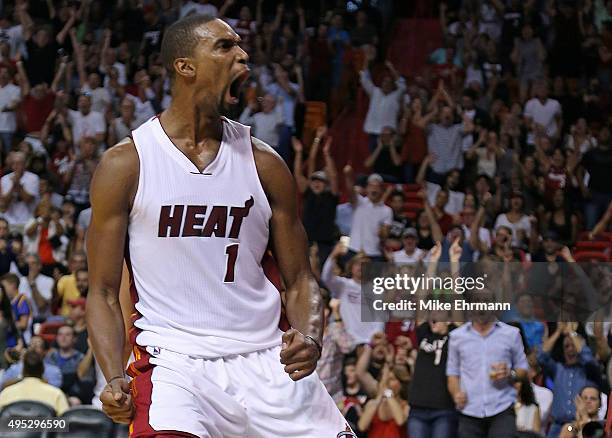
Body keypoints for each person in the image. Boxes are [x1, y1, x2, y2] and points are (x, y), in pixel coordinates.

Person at [87, 15, 352, 437]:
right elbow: (101, 291)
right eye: (225, 46)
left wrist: (310, 335)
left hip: (269, 360)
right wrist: (113, 375)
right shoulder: (127, 164)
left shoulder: (266, 164)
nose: (243, 54)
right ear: (185, 66)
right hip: (176, 364)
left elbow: (301, 278)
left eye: (240, 46)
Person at [446, 292, 529, 438]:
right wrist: (456, 393)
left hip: (502, 408)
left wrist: (511, 374)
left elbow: (523, 369)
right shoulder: (457, 337)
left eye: (486, 301)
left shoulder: (511, 334)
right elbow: (452, 374)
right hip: (469, 411)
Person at [537, 323, 600, 438]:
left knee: (569, 430)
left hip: (579, 425)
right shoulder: (557, 369)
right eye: (566, 346)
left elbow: (589, 359)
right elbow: (541, 356)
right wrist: (558, 332)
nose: (570, 349)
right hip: (556, 427)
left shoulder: (588, 371)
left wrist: (571, 333)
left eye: (573, 346)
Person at [408, 313, 458, 438]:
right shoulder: (424, 334)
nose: (432, 321)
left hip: (443, 408)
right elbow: (421, 304)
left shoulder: (455, 337)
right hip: (418, 407)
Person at [0, 350, 69, 415]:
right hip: (45, 427)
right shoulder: (56, 394)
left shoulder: (6, 393)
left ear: (23, 370)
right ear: (43, 369)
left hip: (12, 427)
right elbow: (66, 423)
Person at [357, 366, 409, 438]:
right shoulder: (371, 404)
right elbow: (362, 427)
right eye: (384, 380)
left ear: (401, 384)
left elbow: (400, 421)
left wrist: (387, 393)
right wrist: (379, 396)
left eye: (391, 379)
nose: (387, 383)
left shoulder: (406, 406)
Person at [0, 151, 39, 230]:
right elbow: (4, 204)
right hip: (9, 222)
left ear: (25, 164)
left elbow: (28, 200)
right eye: (13, 163)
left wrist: (18, 185)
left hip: (28, 222)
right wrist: (13, 187)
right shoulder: (4, 179)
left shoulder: (33, 178)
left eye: (18, 163)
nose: (15, 166)